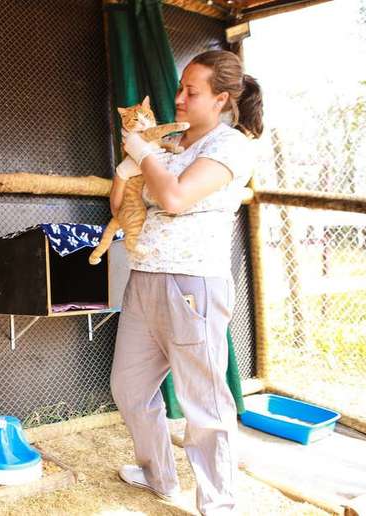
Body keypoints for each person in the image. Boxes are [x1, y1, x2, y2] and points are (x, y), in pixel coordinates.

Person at [109, 49, 263, 515]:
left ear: (221, 99)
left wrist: (144, 153)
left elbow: (173, 198)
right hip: (145, 278)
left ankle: (218, 503)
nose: (178, 98)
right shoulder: (173, 144)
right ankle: (159, 474)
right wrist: (127, 167)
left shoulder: (230, 146)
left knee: (204, 401)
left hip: (194, 284)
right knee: (130, 390)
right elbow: (120, 208)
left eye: (191, 91)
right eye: (179, 87)